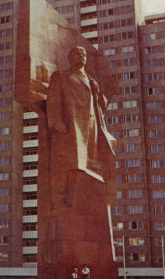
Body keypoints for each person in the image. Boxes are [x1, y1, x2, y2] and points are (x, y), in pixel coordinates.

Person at [46, 46, 116, 209]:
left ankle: (88, 199)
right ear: (69, 58)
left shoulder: (91, 80)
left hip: (91, 127)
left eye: (83, 54)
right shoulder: (61, 76)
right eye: (77, 53)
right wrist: (56, 121)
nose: (81, 56)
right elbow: (53, 98)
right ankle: (61, 199)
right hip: (72, 125)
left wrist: (98, 93)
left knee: (90, 163)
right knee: (68, 163)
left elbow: (102, 105)